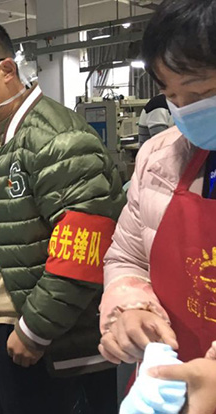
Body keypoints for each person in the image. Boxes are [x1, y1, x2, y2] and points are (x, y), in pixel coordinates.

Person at [0, 17, 126, 414]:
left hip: (33, 331)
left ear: (7, 71)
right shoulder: (0, 134)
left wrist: (34, 331)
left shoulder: (56, 139)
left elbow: (84, 248)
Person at [99, 1, 216, 413]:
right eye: (172, 96)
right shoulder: (159, 159)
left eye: (200, 93)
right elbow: (127, 256)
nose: (186, 109)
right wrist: (130, 309)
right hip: (168, 390)